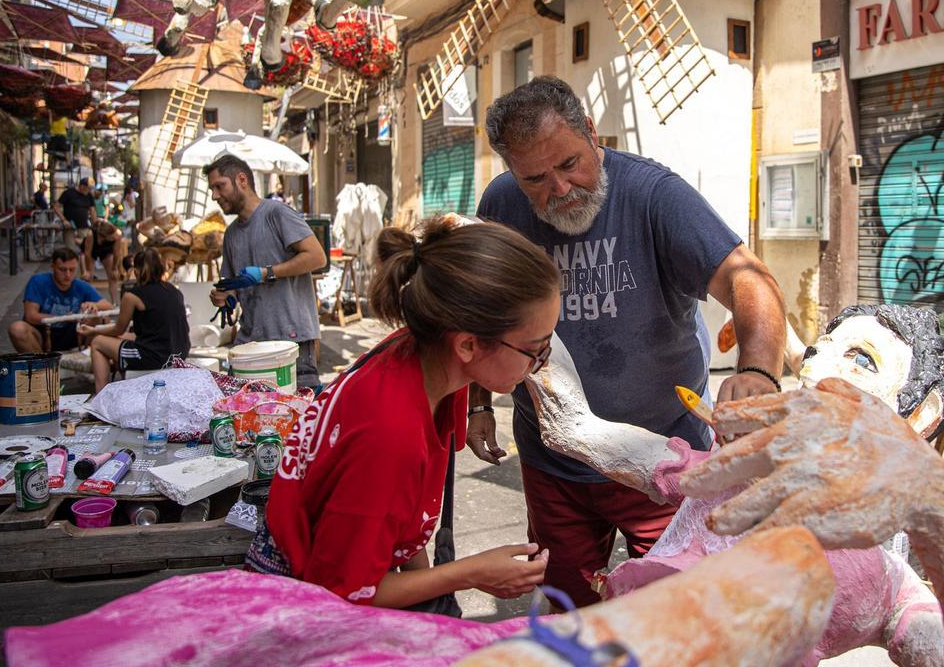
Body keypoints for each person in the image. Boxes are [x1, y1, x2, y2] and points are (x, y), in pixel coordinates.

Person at [471, 76, 788, 606]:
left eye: (570, 164)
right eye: (536, 179)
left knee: (684, 612)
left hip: (665, 459)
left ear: (593, 134)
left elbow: (749, 280)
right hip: (553, 463)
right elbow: (481, 313)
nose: (561, 189)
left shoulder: (655, 196)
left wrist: (758, 371)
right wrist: (478, 401)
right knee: (571, 612)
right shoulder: (501, 206)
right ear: (511, 171)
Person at [249, 217, 555, 610]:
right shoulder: (390, 433)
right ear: (468, 345)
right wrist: (471, 573)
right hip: (298, 603)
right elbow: (339, 593)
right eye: (536, 350)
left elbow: (401, 519)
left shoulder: (432, 364)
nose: (540, 365)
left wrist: (431, 591)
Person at [205, 154, 326, 388]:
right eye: (212, 189)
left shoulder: (277, 214)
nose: (215, 196)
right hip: (250, 344)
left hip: (291, 342)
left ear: (242, 180)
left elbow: (316, 256)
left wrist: (266, 273)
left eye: (220, 186)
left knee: (296, 419)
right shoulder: (231, 234)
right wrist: (225, 297)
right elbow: (232, 286)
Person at [78, 248, 191, 392]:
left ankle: (101, 394)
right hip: (179, 353)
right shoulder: (175, 291)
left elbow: (118, 329)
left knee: (98, 342)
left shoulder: (132, 296)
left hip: (154, 357)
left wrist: (93, 331)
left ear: (136, 270)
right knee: (123, 338)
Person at [8, 247, 112, 353]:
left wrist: (94, 305)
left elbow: (108, 306)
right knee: (17, 329)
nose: (68, 275)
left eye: (72, 270)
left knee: (101, 318)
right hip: (41, 334)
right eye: (62, 269)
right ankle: (43, 365)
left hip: (71, 334)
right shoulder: (38, 282)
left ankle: (88, 358)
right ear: (53, 267)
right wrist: (63, 318)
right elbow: (30, 316)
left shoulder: (81, 286)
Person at [54, 178, 96, 274]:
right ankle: (72, 274)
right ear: (81, 186)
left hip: (84, 227)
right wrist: (64, 220)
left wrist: (95, 224)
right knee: (71, 252)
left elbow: (92, 211)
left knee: (87, 251)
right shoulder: (68, 193)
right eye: (87, 188)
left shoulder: (89, 196)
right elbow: (56, 206)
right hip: (70, 228)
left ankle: (86, 273)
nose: (89, 191)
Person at [83, 219, 124, 303]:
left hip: (106, 250)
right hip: (92, 249)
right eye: (111, 237)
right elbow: (87, 254)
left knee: (113, 277)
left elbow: (117, 253)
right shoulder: (91, 234)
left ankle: (115, 303)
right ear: (104, 236)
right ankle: (87, 301)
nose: (113, 238)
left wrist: (114, 268)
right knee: (88, 277)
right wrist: (87, 270)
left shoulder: (117, 234)